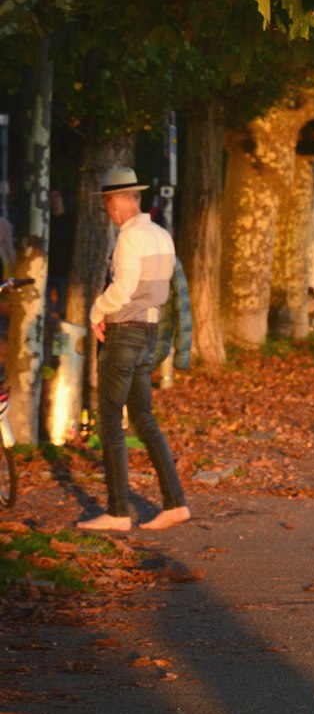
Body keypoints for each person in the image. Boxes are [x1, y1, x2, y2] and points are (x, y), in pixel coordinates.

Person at [78, 167, 189, 534]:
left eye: (108, 203)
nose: (107, 211)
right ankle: (175, 503)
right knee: (144, 419)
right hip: (149, 333)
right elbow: (165, 288)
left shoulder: (129, 239)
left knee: (110, 419)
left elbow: (123, 288)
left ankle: (118, 511)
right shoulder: (161, 235)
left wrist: (96, 311)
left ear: (120, 201)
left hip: (124, 332)